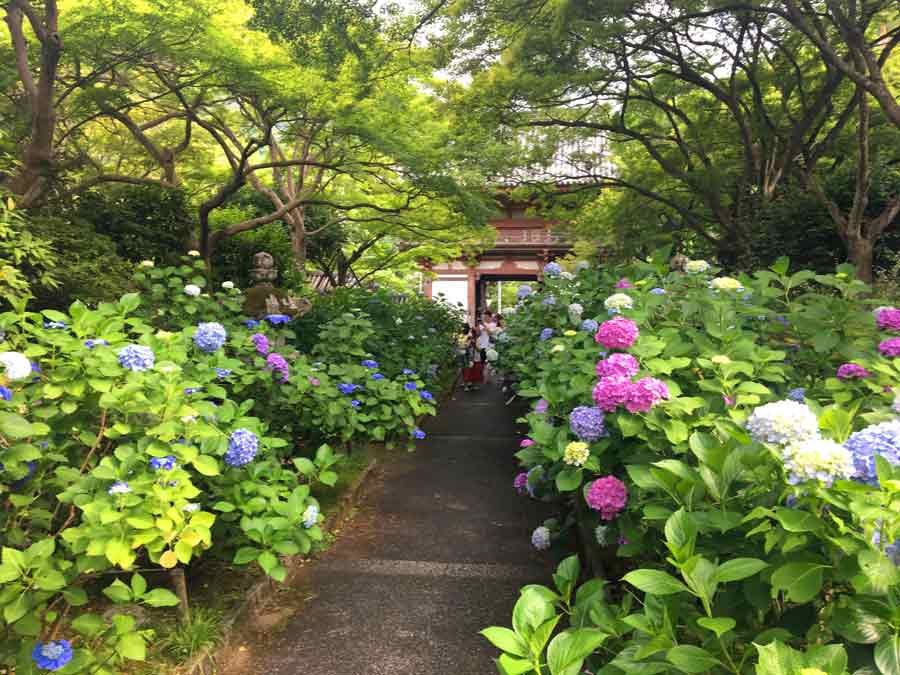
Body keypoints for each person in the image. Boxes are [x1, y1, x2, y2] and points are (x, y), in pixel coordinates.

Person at [461, 324, 484, 391]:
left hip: (476, 358)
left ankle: (474, 385)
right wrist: (469, 342)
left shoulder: (479, 339)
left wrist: (474, 344)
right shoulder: (467, 338)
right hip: (468, 358)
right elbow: (464, 346)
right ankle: (466, 385)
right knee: (467, 372)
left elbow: (479, 349)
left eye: (474, 333)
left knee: (475, 372)